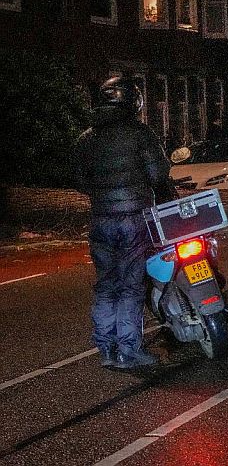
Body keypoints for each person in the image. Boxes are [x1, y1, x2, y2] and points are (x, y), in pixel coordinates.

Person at [75, 76, 173, 369]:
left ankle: (106, 348)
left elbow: (80, 181)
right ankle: (129, 350)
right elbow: (158, 175)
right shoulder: (140, 134)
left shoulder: (86, 138)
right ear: (133, 101)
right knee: (131, 285)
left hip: (101, 220)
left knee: (106, 284)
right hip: (133, 218)